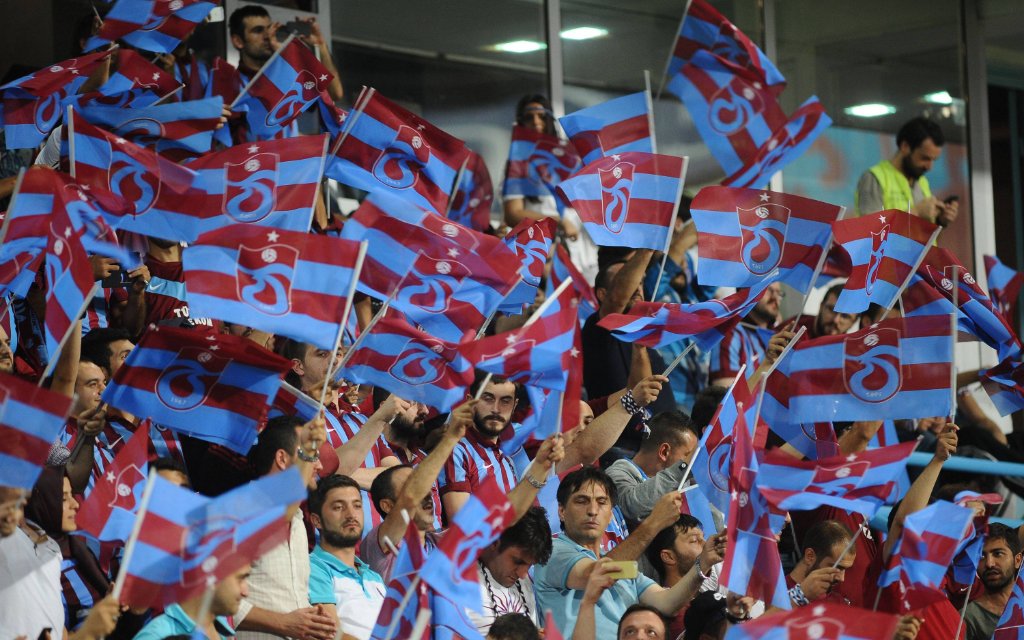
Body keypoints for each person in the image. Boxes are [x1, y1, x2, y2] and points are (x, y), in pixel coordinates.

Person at [534, 467, 723, 637]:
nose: (592, 510)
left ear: (610, 515)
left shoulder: (622, 566)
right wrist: (653, 523)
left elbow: (668, 603)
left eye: (601, 502)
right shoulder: (552, 550)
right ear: (561, 511)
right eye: (581, 501)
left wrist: (704, 562)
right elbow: (594, 575)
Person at [234, 415, 337, 640]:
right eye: (311, 454)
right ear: (282, 459)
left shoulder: (299, 520)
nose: (319, 465)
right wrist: (283, 623)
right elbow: (212, 595)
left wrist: (313, 619)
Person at [307, 474, 387, 640]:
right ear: (317, 521)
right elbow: (330, 634)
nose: (351, 514)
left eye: (357, 506)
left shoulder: (374, 577)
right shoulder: (313, 567)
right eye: (338, 507)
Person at [440, 375, 522, 516]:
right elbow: (461, 526)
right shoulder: (456, 451)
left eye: (505, 401)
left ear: (514, 406)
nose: (496, 409)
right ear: (470, 402)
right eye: (488, 399)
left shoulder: (508, 459)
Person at [855, 116, 958, 227]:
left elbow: (921, 232)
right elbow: (869, 230)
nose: (929, 167)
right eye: (924, 158)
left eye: (933, 160)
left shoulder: (922, 182)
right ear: (905, 146)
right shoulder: (875, 178)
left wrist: (940, 221)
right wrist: (916, 212)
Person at [606, 411, 700, 522]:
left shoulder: (681, 485)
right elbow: (633, 509)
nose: (692, 464)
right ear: (664, 452)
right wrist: (683, 467)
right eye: (688, 456)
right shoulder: (615, 475)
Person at [471, 507, 553, 633]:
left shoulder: (523, 583)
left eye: (530, 565)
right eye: (518, 561)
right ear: (494, 542)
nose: (523, 574)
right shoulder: (459, 579)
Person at [134, 565, 251, 639]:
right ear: (210, 576)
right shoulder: (156, 636)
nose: (246, 592)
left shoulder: (225, 632)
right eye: (240, 579)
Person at [707, 282, 782, 387]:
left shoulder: (778, 336)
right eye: (768, 290)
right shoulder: (729, 335)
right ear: (746, 292)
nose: (775, 297)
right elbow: (726, 397)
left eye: (779, 293)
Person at [964, 523, 1023, 640]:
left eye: (998, 554)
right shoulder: (969, 617)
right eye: (981, 556)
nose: (989, 563)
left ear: (1017, 560)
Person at [786, 521, 855, 607]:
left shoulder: (839, 604)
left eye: (845, 569)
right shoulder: (774, 595)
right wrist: (799, 596)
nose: (842, 578)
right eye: (837, 567)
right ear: (809, 556)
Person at [786, 282, 858, 339]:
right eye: (831, 310)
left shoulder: (850, 353)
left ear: (853, 323)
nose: (836, 320)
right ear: (821, 306)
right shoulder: (794, 328)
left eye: (845, 316)